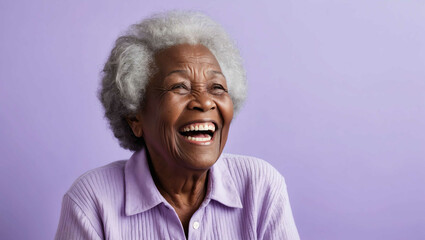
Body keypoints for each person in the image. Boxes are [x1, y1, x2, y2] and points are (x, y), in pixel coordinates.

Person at [55, 10, 300, 240]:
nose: (204, 102)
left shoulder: (260, 187)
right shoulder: (91, 201)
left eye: (217, 88)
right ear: (135, 118)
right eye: (179, 87)